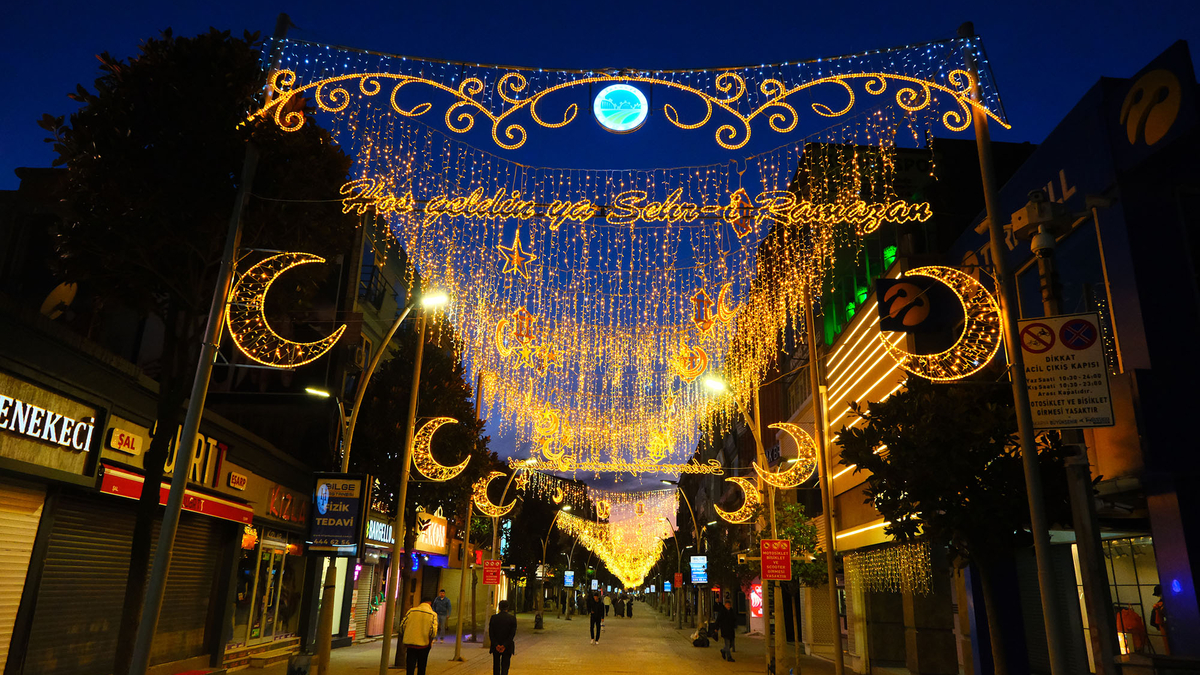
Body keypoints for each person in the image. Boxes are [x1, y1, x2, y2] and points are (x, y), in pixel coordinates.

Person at [399, 597, 438, 675]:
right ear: (430, 604)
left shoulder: (411, 611)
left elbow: (402, 626)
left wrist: (406, 635)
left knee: (410, 665)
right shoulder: (432, 614)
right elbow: (433, 631)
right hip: (424, 644)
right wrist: (430, 639)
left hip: (410, 643)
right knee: (422, 666)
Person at [489, 600, 517, 675]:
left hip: (496, 646)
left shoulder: (494, 618)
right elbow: (512, 634)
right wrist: (505, 645)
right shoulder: (512, 619)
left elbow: (491, 633)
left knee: (496, 666)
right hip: (507, 646)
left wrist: (496, 645)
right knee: (505, 666)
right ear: (507, 608)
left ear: (499, 607)